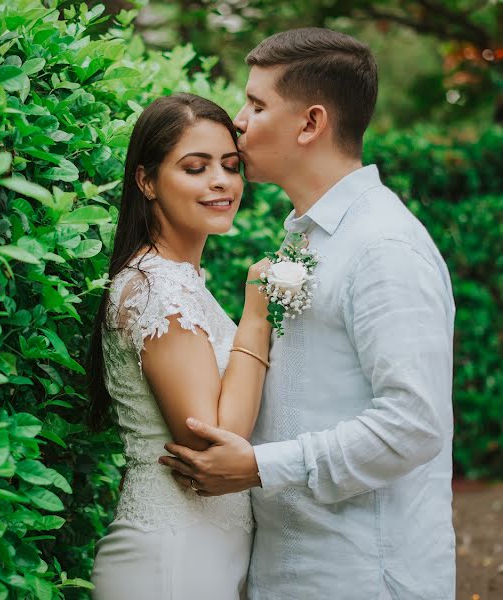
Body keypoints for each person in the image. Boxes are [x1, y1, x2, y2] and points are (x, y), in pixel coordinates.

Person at [159, 28, 456, 599]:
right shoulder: (308, 238)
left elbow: (414, 423)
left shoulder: (383, 248)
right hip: (290, 571)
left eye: (257, 103)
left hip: (362, 575)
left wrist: (263, 466)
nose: (238, 121)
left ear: (311, 123)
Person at [86, 92, 273, 599]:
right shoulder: (158, 289)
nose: (220, 181)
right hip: (171, 561)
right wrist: (258, 314)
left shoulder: (180, 282)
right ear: (146, 181)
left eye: (230, 166)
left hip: (205, 555)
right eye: (196, 167)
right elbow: (211, 446)